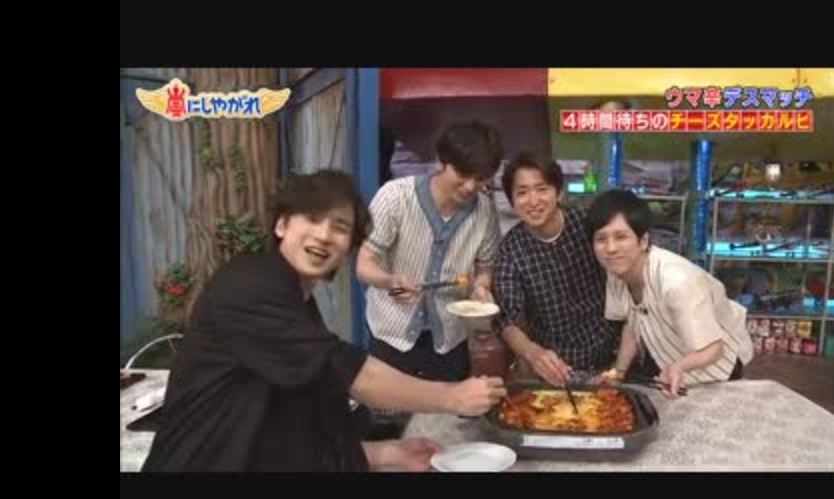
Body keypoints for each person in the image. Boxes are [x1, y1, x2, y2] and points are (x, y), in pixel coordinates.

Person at [141, 170, 506, 472]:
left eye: (340, 227)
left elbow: (290, 434)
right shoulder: (248, 285)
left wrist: (386, 453)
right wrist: (451, 396)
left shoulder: (301, 308)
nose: (324, 235)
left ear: (348, 248)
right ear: (281, 225)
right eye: (313, 218)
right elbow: (345, 371)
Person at [356, 120, 503, 382]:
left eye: (480, 178)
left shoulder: (484, 211)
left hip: (450, 339)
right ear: (441, 161)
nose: (470, 186)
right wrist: (390, 280)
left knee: (448, 406)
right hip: (391, 335)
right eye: (462, 173)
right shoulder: (395, 197)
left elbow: (485, 267)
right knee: (387, 405)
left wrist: (481, 288)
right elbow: (364, 265)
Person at [585, 189, 754, 397]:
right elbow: (632, 324)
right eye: (601, 239)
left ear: (643, 240)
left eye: (621, 237)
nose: (611, 248)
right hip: (673, 363)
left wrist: (679, 367)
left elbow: (714, 348)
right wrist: (617, 374)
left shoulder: (677, 282)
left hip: (718, 368)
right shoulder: (616, 271)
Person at [491, 152, 619, 387]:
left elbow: (626, 268)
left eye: (542, 189)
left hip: (615, 355)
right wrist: (532, 353)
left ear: (559, 193)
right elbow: (506, 320)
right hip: (558, 369)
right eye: (522, 192)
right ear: (511, 201)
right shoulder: (510, 252)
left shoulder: (588, 226)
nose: (533, 201)